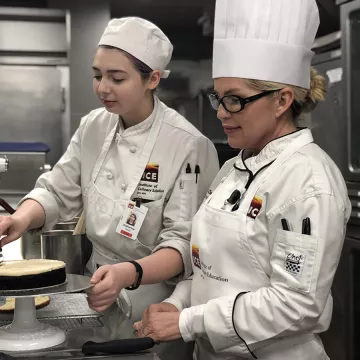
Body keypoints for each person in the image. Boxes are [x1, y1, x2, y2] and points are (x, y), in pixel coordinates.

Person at [134, 1, 352, 359]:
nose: (220, 112)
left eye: (235, 100)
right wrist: (177, 304)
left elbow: (296, 305)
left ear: (282, 100)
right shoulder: (234, 168)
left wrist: (188, 323)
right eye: (219, 97)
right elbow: (212, 269)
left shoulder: (308, 181)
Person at [0, 17, 219, 359]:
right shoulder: (93, 126)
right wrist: (21, 219)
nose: (103, 88)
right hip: (95, 291)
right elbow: (58, 190)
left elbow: (183, 247)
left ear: (153, 79)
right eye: (97, 75)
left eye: (117, 78)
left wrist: (127, 274)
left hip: (153, 304)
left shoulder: (188, 145)